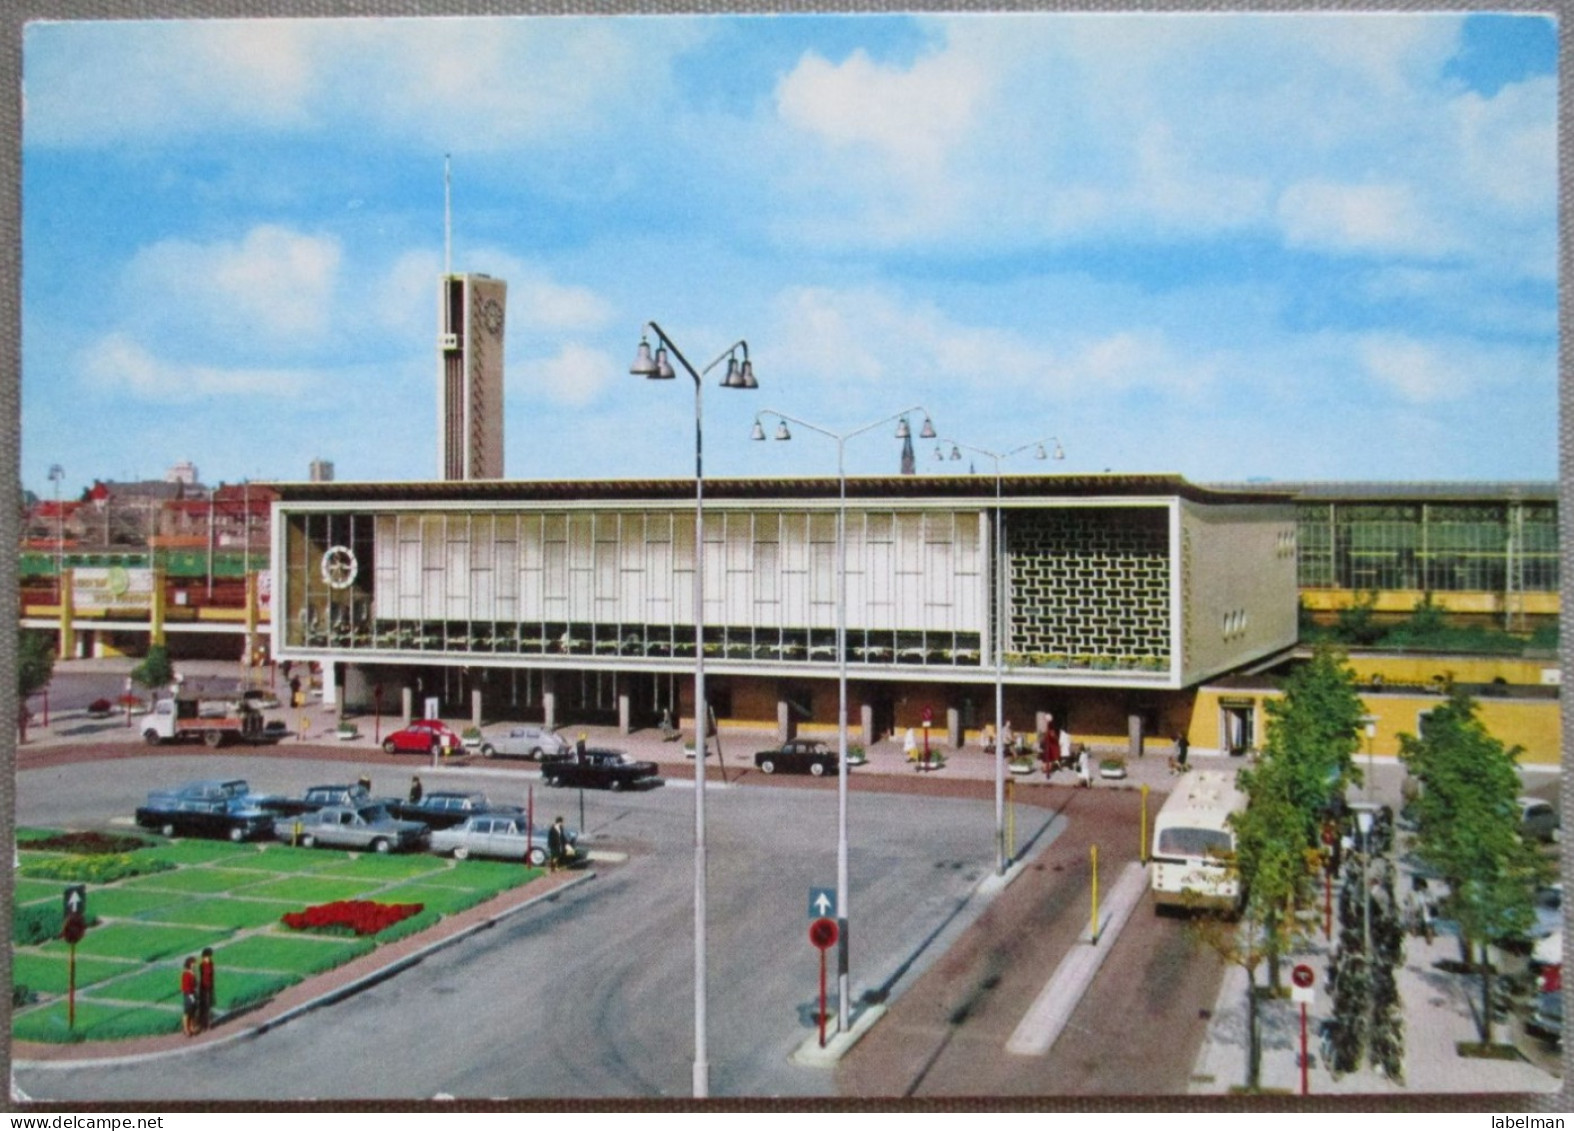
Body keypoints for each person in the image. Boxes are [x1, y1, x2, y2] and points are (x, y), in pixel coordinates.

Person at [198, 947, 215, 1031]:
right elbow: (202, 977)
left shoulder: (211, 964)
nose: (208, 958)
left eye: (209, 957)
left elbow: (212, 976)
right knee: (204, 1006)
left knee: (209, 1006)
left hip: (210, 987)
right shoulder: (202, 965)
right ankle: (203, 1024)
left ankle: (208, 1023)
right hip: (204, 987)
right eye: (207, 957)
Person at [180, 956, 198, 1037]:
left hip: (193, 994)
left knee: (193, 1011)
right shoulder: (186, 974)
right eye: (193, 963)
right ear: (190, 964)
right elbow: (185, 987)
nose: (194, 965)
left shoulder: (192, 973)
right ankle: (186, 1029)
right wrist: (190, 995)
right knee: (187, 1012)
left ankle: (192, 1027)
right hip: (188, 994)